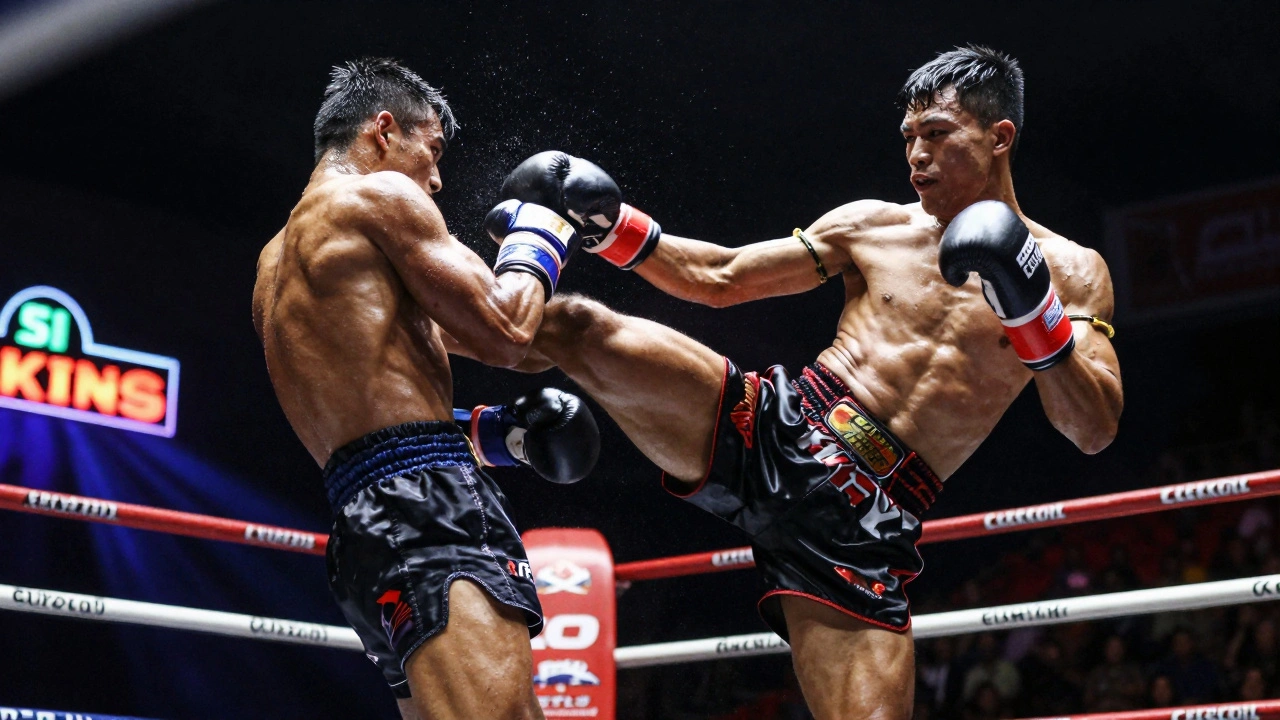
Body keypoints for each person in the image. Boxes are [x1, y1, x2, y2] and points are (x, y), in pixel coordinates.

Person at [493, 45, 1123, 719]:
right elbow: (721, 277)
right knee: (576, 325)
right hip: (775, 426)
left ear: (999, 137)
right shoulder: (872, 225)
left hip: (865, 513)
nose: (917, 155)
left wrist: (1034, 318)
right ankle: (424, 340)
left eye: (938, 134)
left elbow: (1093, 428)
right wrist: (611, 225)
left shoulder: (1072, 272)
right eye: (909, 136)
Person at [253, 58, 599, 720]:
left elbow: (378, 401)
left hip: (362, 525)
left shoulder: (275, 263)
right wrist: (544, 227)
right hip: (428, 507)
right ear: (384, 130)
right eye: (433, 150)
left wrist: (497, 433)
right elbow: (507, 330)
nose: (436, 179)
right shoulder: (378, 196)